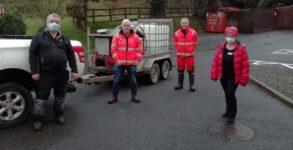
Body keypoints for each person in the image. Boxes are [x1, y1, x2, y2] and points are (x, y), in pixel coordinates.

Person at [29, 13, 78, 131]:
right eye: (51, 21)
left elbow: (71, 54)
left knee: (60, 96)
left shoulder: (65, 38)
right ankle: (37, 119)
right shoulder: (39, 37)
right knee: (41, 97)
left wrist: (74, 70)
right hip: (45, 73)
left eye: (57, 22)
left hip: (62, 73)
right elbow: (32, 54)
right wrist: (34, 71)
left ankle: (59, 115)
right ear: (47, 23)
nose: (54, 24)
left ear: (60, 24)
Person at [210, 26, 250, 123]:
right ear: (225, 36)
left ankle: (232, 114)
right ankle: (228, 111)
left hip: (234, 76)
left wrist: (244, 79)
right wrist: (214, 75)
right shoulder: (221, 47)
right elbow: (215, 61)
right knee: (227, 94)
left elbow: (245, 65)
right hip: (223, 76)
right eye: (228, 36)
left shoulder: (241, 49)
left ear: (235, 37)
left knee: (230, 93)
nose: (230, 38)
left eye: (232, 36)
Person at [108, 19, 144, 104]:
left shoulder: (136, 37)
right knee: (117, 80)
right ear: (121, 26)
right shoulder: (116, 37)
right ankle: (114, 96)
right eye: (124, 25)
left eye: (128, 25)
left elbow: (140, 50)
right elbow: (113, 49)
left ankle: (134, 95)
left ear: (130, 26)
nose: (126, 27)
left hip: (132, 63)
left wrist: (137, 60)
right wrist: (117, 60)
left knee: (133, 80)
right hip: (120, 63)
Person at [173, 17, 198, 92]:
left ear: (188, 23)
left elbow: (195, 43)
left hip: (190, 56)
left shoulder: (193, 32)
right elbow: (175, 43)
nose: (184, 24)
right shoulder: (176, 33)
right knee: (180, 70)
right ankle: (180, 85)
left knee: (191, 70)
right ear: (180, 23)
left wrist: (191, 50)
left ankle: (192, 85)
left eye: (186, 23)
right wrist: (179, 49)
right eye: (183, 23)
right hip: (180, 56)